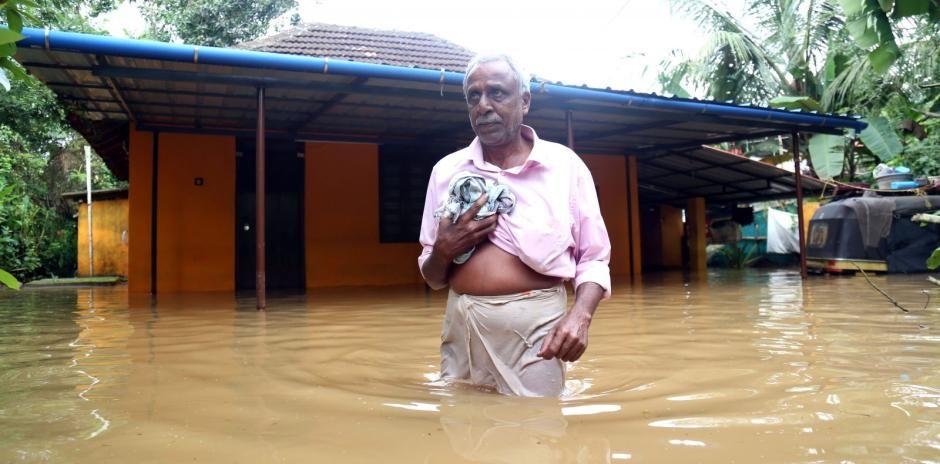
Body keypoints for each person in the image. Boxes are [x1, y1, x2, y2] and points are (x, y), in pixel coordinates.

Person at [417, 53, 611, 397]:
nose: (484, 105)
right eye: (473, 97)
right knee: (460, 434)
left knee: (537, 434)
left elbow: (593, 258)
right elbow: (433, 279)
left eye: (497, 93)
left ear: (524, 101)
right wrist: (444, 251)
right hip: (460, 326)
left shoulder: (565, 166)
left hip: (536, 334)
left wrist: (580, 316)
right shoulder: (446, 172)